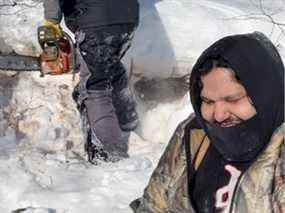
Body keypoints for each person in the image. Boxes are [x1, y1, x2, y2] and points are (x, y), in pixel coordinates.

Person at [130, 32, 284, 212]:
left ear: (265, 94)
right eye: (208, 101)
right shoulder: (195, 133)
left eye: (233, 99)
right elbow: (154, 203)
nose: (218, 115)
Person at [43, 0, 140, 164]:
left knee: (95, 87)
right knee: (112, 68)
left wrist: (51, 21)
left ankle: (110, 154)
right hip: (128, 17)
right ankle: (129, 123)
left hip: (94, 21)